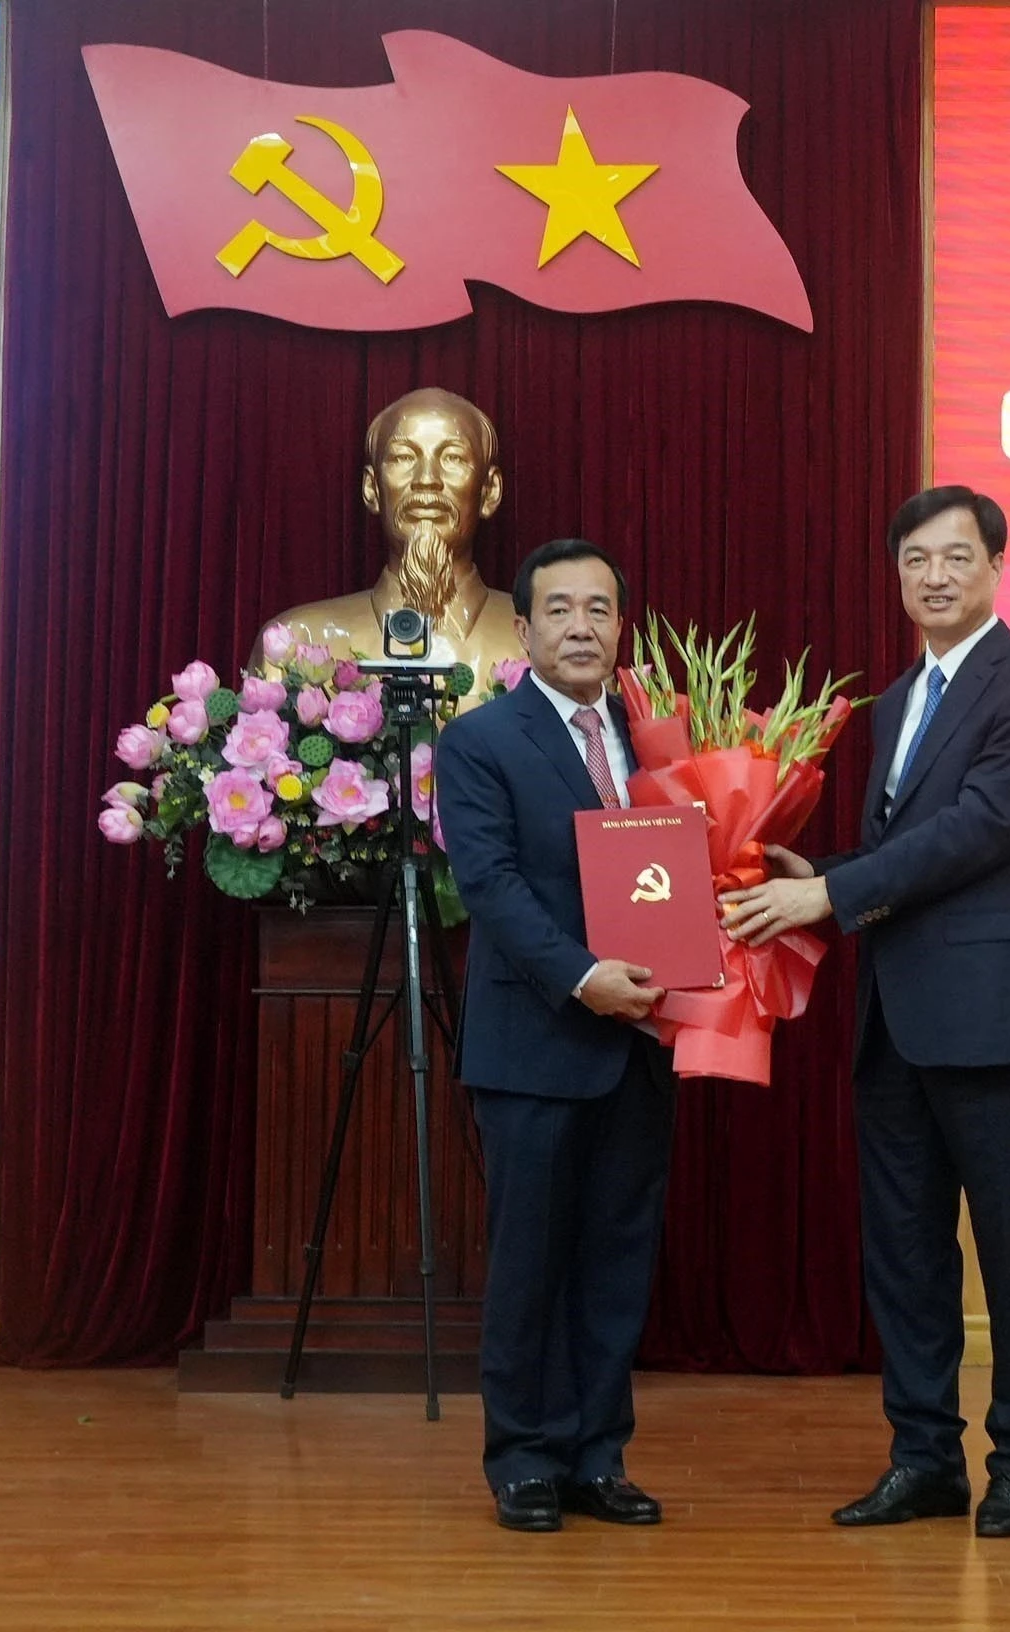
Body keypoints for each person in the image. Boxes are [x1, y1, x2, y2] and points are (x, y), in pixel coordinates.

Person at [723, 485, 1010, 1541]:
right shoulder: (895, 699)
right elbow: (902, 857)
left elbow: (979, 830)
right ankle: (922, 1456)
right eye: (914, 560)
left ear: (995, 568)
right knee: (906, 1252)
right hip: (893, 1019)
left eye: (955, 558)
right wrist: (819, 868)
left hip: (996, 1017)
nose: (933, 576)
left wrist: (827, 896)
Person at [433, 538, 677, 1535]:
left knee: (617, 1261)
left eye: (599, 610)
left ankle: (596, 1457)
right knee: (531, 1263)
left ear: (621, 627)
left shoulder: (657, 734)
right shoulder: (480, 741)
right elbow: (489, 886)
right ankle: (525, 1460)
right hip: (536, 1042)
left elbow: (689, 859)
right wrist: (583, 978)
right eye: (560, 609)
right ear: (524, 628)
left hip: (643, 1041)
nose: (581, 627)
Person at [255, 388, 527, 680]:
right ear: (372, 488)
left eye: (453, 458)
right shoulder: (296, 645)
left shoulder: (537, 645)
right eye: (403, 458)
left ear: (490, 491)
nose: (426, 480)